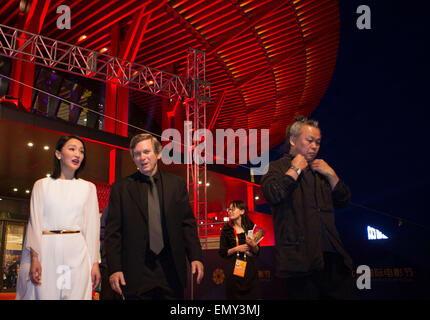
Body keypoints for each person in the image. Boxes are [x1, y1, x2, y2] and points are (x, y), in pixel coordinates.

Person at [260, 116, 354, 300]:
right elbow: (273, 194)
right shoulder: (276, 168)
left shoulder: (322, 170)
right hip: (299, 263)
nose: (314, 146)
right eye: (309, 140)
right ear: (293, 140)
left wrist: (332, 174)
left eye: (318, 142)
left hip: (332, 259)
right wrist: (294, 170)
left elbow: (344, 201)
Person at [104, 133, 204, 300]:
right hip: (136, 273)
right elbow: (112, 233)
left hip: (171, 270)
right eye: (137, 154)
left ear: (158, 154)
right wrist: (114, 268)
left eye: (146, 152)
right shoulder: (120, 189)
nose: (142, 157)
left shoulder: (177, 185)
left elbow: (187, 225)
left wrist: (195, 256)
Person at [16, 135, 101, 300]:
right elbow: (35, 224)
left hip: (77, 252)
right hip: (47, 250)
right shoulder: (42, 185)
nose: (78, 154)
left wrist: (94, 263)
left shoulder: (88, 188)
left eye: (81, 151)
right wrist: (34, 258)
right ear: (58, 154)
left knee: (75, 295)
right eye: (72, 149)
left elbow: (92, 229)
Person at [218, 200, 261, 300]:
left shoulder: (251, 227)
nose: (230, 211)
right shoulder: (226, 229)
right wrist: (236, 248)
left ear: (242, 211)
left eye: (233, 209)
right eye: (229, 209)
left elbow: (257, 251)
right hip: (234, 267)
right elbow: (223, 252)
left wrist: (254, 245)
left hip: (250, 268)